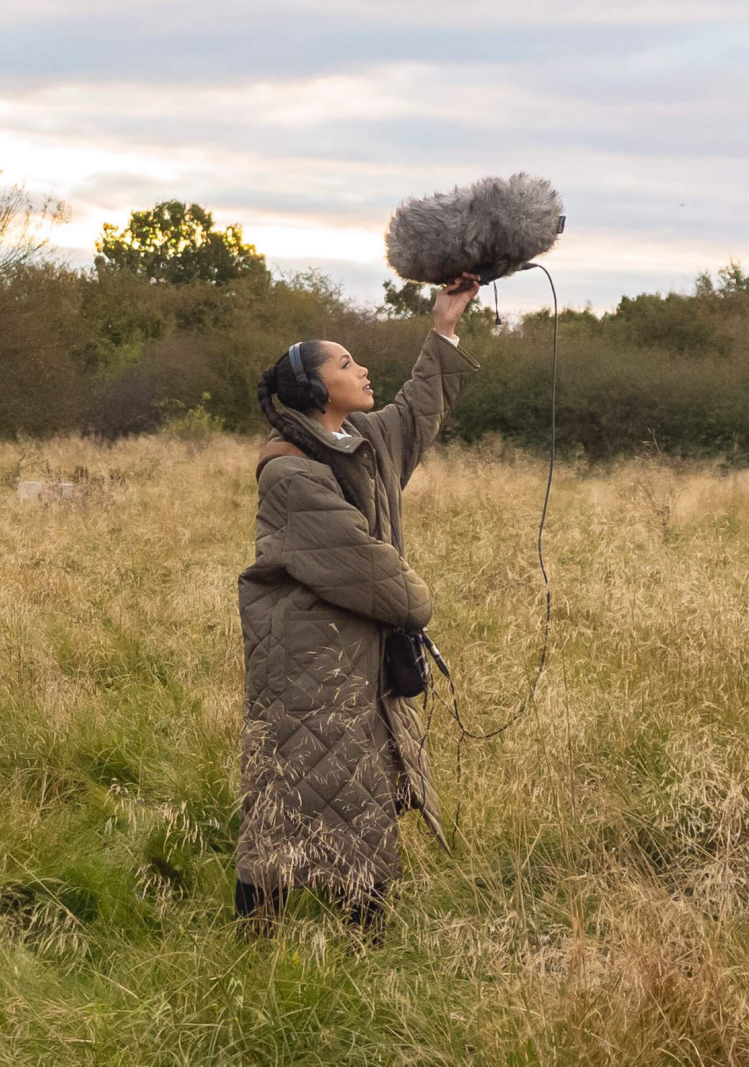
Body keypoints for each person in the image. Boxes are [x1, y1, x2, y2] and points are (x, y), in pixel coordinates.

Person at [234, 273, 482, 944]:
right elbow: (369, 569)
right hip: (306, 671)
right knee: (288, 802)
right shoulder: (291, 475)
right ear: (315, 390)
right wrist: (417, 605)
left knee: (361, 795)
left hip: (351, 665)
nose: (361, 367)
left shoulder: (359, 443)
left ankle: (361, 949)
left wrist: (446, 324)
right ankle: (255, 954)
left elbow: (415, 412)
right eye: (345, 363)